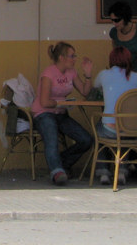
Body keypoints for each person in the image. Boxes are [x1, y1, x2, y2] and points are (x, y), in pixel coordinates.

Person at [31, 41, 95, 186]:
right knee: (51, 138)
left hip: (61, 113)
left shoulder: (72, 72)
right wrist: (62, 103)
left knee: (86, 139)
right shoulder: (49, 73)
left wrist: (88, 75)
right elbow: (44, 102)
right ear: (61, 57)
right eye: (72, 56)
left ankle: (61, 162)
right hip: (44, 113)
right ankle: (57, 171)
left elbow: (85, 92)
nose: (75, 59)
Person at [93, 45, 137, 185]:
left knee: (99, 129)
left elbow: (95, 86)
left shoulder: (104, 75)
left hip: (110, 129)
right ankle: (122, 171)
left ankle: (103, 172)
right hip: (132, 129)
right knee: (125, 128)